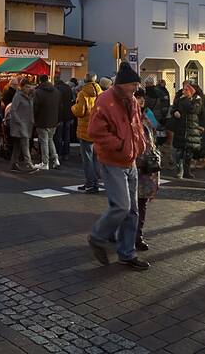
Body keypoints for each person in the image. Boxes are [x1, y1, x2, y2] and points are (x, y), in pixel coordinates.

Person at [86, 63, 150, 271]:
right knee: (122, 206)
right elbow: (95, 131)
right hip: (113, 161)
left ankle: (127, 253)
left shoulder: (130, 100)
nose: (136, 88)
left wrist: (140, 146)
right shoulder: (105, 101)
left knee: (132, 212)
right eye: (133, 84)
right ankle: (97, 237)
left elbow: (137, 125)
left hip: (129, 160)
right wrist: (121, 145)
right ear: (122, 84)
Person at [134, 88, 160, 252]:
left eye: (142, 98)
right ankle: (127, 234)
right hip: (134, 164)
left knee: (141, 202)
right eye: (138, 97)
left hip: (147, 165)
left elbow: (154, 133)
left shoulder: (147, 116)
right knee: (130, 204)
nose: (141, 100)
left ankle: (137, 236)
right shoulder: (128, 117)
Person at [71, 73, 103, 193]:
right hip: (97, 129)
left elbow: (80, 111)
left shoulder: (82, 93)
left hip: (85, 129)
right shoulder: (101, 94)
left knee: (87, 158)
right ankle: (95, 182)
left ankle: (90, 182)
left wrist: (73, 107)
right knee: (95, 158)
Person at [170, 82, 203, 178]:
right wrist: (175, 112)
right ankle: (179, 170)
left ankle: (187, 171)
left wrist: (184, 100)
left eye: (186, 90)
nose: (184, 91)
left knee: (189, 151)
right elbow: (173, 108)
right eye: (184, 90)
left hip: (192, 127)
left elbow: (193, 109)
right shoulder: (179, 99)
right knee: (179, 150)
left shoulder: (197, 100)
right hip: (180, 127)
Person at [8, 78, 38, 173]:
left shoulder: (29, 96)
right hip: (20, 125)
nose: (28, 88)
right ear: (22, 87)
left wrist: (32, 120)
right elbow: (13, 110)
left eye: (29, 87)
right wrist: (19, 121)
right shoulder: (18, 96)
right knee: (25, 145)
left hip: (27, 124)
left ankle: (13, 163)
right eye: (26, 87)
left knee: (18, 145)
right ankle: (29, 164)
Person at [33, 74, 61, 170]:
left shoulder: (38, 92)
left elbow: (35, 107)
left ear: (39, 81)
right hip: (53, 120)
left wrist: (34, 118)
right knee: (50, 139)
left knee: (44, 141)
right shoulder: (56, 91)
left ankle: (45, 162)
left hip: (42, 119)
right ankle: (55, 159)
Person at [55, 76, 75, 161]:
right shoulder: (68, 88)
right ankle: (66, 153)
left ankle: (58, 153)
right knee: (67, 135)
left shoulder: (55, 89)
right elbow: (71, 101)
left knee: (58, 135)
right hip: (68, 115)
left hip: (59, 115)